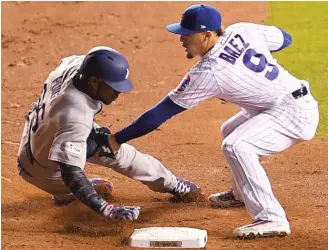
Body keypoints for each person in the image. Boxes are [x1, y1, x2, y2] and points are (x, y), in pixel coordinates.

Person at [111, 4, 319, 238]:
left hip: (293, 113)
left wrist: (117, 139)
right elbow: (285, 39)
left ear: (207, 35)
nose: (181, 39)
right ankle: (241, 194)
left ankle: (271, 218)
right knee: (230, 129)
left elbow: (160, 113)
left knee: (237, 146)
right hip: (286, 101)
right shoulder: (243, 30)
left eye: (187, 34)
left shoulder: (209, 71)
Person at [17, 46, 199, 222]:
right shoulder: (75, 115)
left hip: (36, 138)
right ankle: (64, 192)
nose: (118, 92)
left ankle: (172, 183)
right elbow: (70, 172)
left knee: (105, 145)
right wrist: (108, 210)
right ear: (94, 81)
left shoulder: (74, 65)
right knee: (104, 152)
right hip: (43, 170)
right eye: (113, 87)